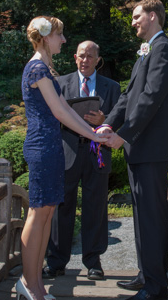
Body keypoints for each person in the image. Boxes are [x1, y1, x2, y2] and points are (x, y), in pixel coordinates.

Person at [17, 16, 109, 300]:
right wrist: (94, 134)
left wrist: (93, 133)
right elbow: (61, 113)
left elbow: (62, 113)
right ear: (45, 37)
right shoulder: (37, 68)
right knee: (37, 214)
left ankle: (37, 284)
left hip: (51, 147)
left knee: (45, 215)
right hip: (43, 147)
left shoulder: (45, 68)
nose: (64, 40)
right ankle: (28, 283)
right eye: (60, 35)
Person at [99, 0, 168, 300]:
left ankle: (156, 287)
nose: (132, 22)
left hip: (151, 147)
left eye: (136, 16)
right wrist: (107, 125)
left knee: (152, 216)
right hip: (139, 146)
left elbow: (152, 97)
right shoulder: (146, 50)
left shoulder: (165, 49)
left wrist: (123, 134)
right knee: (141, 214)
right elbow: (129, 96)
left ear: (153, 17)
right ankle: (148, 274)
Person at [44, 41, 121, 281]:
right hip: (66, 152)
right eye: (81, 56)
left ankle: (93, 262)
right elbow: (50, 117)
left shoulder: (112, 87)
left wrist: (104, 118)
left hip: (96, 152)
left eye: (90, 56)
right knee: (61, 208)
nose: (85, 60)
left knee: (96, 207)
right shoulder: (60, 84)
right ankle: (56, 262)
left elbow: (121, 118)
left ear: (98, 59)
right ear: (74, 58)